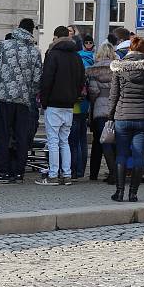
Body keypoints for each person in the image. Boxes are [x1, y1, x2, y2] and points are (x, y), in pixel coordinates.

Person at [0, 18, 42, 184]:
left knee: (3, 135)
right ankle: (19, 172)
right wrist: (29, 93)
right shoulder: (34, 51)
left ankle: (3, 171)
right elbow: (37, 79)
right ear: (31, 31)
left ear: (18, 28)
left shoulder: (4, 45)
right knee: (21, 136)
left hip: (4, 97)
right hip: (24, 100)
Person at [108, 36, 144, 201]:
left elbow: (114, 95)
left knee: (122, 154)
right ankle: (133, 194)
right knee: (139, 155)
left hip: (122, 116)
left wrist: (110, 115)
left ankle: (119, 192)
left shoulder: (120, 68)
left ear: (130, 48)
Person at [37, 26, 85, 186]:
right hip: (70, 105)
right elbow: (81, 80)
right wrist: (75, 96)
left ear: (56, 37)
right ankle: (67, 174)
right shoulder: (77, 56)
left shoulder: (53, 55)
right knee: (64, 141)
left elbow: (47, 79)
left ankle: (53, 174)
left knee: (53, 141)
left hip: (53, 104)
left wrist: (44, 101)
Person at [87, 43, 117, 183]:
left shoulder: (94, 71)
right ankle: (114, 171)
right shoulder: (118, 70)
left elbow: (93, 92)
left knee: (99, 142)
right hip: (115, 110)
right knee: (113, 141)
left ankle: (94, 174)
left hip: (99, 110)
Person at [70, 38, 94, 179]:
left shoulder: (77, 61)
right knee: (82, 139)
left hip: (74, 105)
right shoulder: (92, 60)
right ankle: (81, 169)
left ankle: (75, 170)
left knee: (73, 141)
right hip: (85, 105)